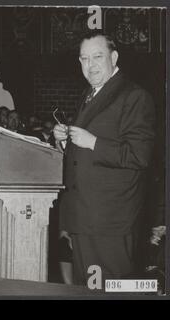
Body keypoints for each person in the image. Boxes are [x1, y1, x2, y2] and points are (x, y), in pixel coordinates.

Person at [53, 32, 155, 285]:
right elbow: (82, 156)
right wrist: (65, 139)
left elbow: (139, 156)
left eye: (97, 56)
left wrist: (93, 142)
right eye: (84, 59)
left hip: (110, 223)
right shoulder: (91, 94)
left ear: (114, 56)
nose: (90, 65)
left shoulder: (134, 96)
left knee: (110, 290)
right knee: (87, 291)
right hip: (85, 219)